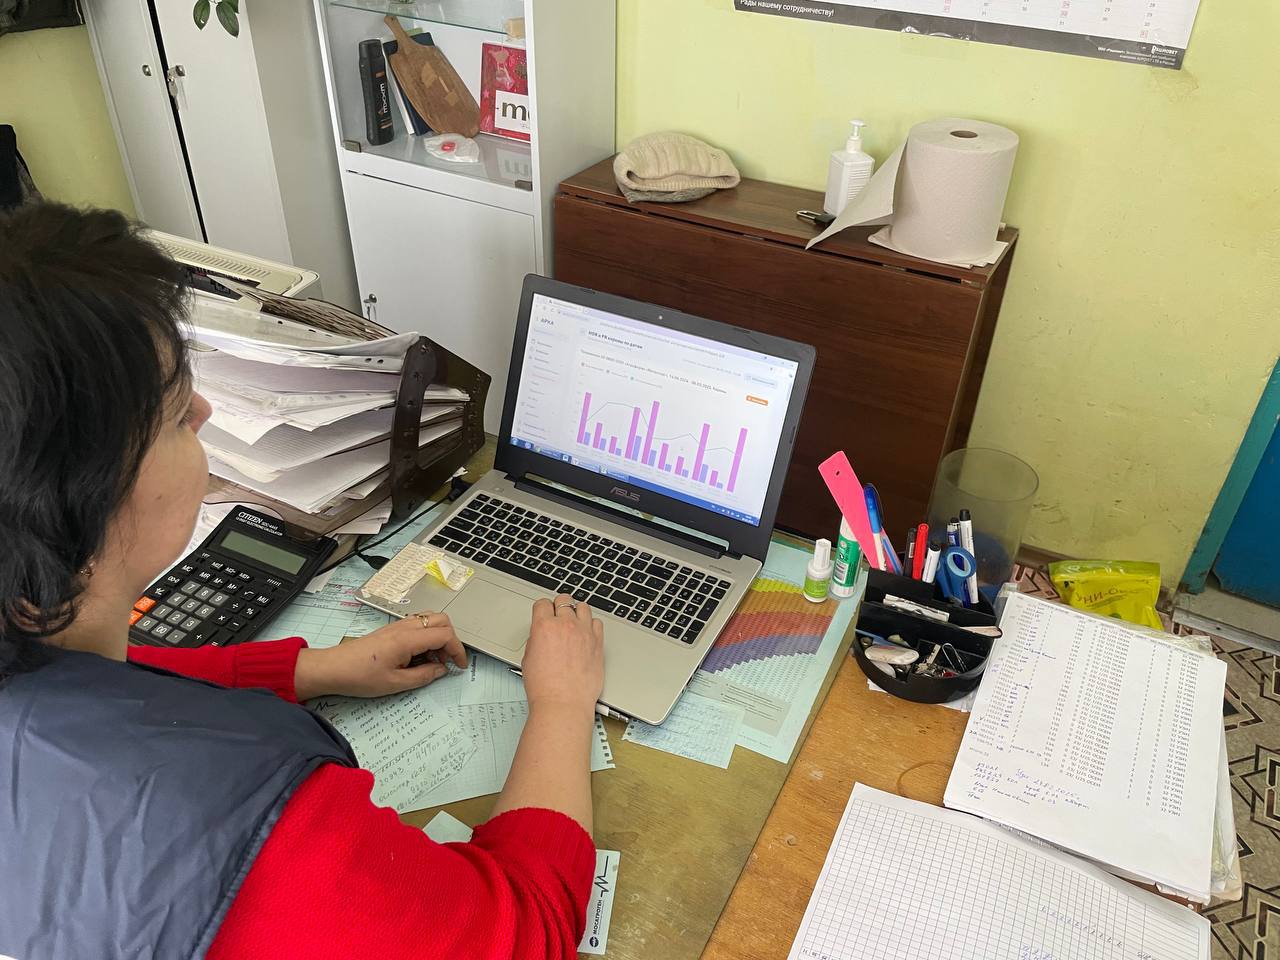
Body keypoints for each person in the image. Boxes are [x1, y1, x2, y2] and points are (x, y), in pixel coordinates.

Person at [0, 203, 606, 960]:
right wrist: (562, 704)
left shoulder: (35, 647)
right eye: (173, 412)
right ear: (82, 496)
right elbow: (524, 932)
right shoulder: (245, 818)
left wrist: (310, 669)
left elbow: (94, 695)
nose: (204, 409)